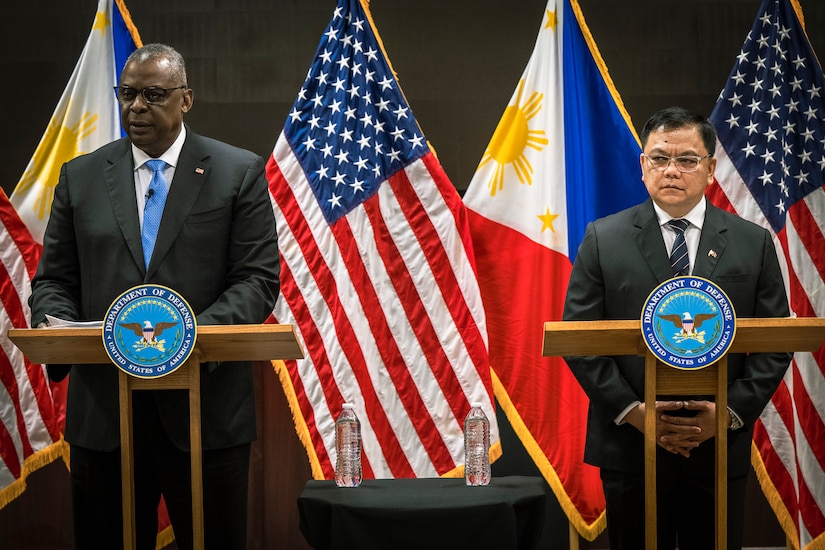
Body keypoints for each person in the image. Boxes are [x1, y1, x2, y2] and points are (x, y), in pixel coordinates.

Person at [29, 43, 280, 550]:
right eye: (127, 94)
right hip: (105, 415)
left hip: (206, 415)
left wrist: (183, 341)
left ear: (185, 100)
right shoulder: (80, 177)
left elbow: (256, 279)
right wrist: (54, 323)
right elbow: (54, 281)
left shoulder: (237, 172)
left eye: (153, 95)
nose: (135, 107)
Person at [562, 106, 792, 549]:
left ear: (710, 168)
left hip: (719, 445)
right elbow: (580, 340)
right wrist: (637, 414)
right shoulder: (602, 238)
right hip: (631, 443)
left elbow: (775, 344)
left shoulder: (752, 242)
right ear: (642, 165)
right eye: (659, 158)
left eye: (687, 159)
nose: (672, 170)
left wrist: (724, 415)